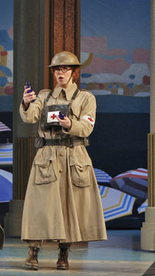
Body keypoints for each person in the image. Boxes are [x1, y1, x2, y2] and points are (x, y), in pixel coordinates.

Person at [20, 51, 107, 271]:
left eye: (65, 69)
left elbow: (88, 126)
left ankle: (64, 253)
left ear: (74, 73)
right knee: (39, 206)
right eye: (57, 69)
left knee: (71, 206)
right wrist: (26, 103)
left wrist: (70, 125)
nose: (60, 73)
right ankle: (33, 251)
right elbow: (30, 118)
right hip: (47, 157)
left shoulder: (86, 98)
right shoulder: (44, 96)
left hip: (73, 155)